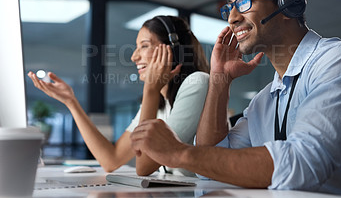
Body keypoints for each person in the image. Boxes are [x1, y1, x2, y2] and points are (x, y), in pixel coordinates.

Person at [130, 0, 341, 196]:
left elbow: (302, 165)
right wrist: (220, 80)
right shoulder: (265, 100)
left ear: (288, 4)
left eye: (244, 2)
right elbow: (210, 170)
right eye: (229, 8)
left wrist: (179, 153)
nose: (232, 18)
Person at [28, 15, 209, 176]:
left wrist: (150, 91)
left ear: (174, 52)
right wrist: (71, 102)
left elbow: (144, 167)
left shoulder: (197, 82)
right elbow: (111, 160)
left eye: (144, 46)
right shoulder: (159, 102)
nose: (134, 57)